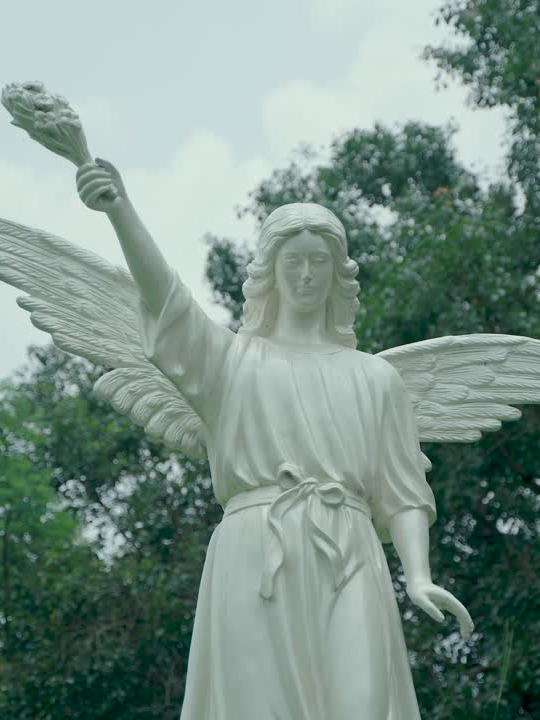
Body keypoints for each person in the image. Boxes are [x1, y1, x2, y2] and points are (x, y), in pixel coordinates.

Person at [76, 159, 472, 719]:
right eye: (295, 262)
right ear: (272, 271)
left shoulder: (375, 378)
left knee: (363, 703)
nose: (307, 275)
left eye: (319, 262)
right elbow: (165, 298)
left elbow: (404, 490)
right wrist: (118, 208)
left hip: (351, 546)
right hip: (256, 546)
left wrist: (420, 576)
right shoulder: (232, 363)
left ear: (338, 273)